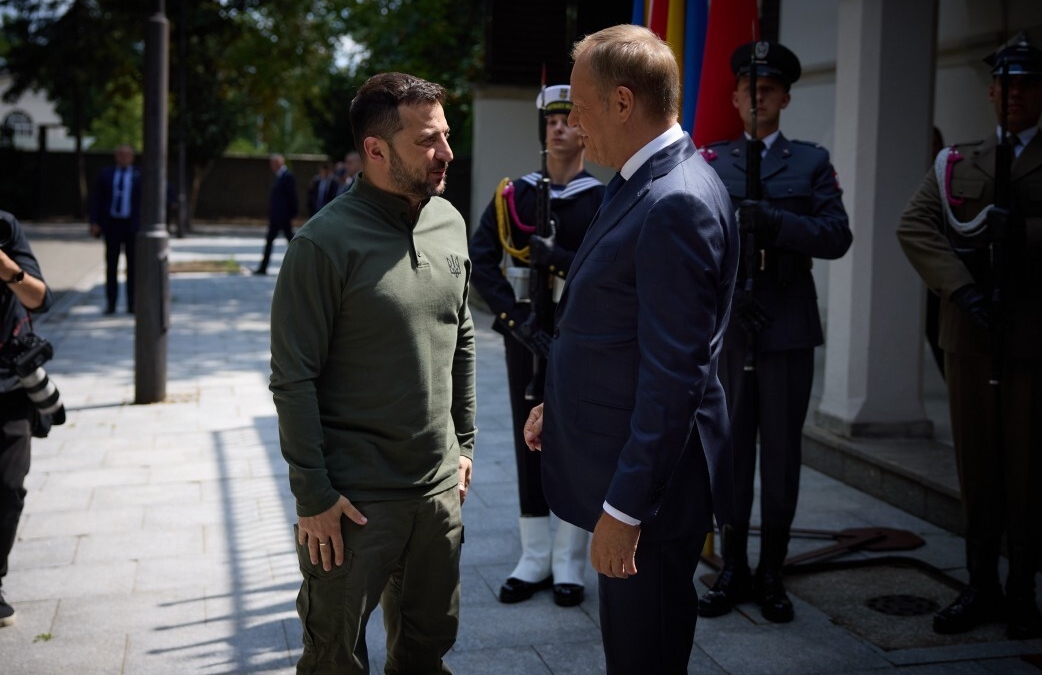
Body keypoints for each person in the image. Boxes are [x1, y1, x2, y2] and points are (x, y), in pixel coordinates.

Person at [523, 24, 738, 674]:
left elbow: (674, 375)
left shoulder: (674, 200)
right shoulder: (639, 179)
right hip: (629, 468)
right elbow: (614, 328)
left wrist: (623, 509)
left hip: (652, 495)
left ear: (622, 102)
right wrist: (556, 407)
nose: (576, 126)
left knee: (644, 654)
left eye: (581, 109)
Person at [269, 71, 475, 674]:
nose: (446, 154)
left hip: (437, 495)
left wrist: (464, 442)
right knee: (335, 658)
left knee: (426, 653)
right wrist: (314, 495)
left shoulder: (450, 222)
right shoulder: (322, 245)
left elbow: (460, 334)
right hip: (353, 505)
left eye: (446, 136)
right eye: (428, 141)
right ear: (376, 150)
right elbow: (293, 379)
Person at [696, 41, 852, 623]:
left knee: (781, 455)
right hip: (733, 328)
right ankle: (732, 564)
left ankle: (772, 570)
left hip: (786, 326)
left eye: (768, 88)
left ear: (784, 96)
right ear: (735, 98)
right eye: (747, 88)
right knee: (731, 450)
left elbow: (836, 235)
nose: (757, 96)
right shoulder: (711, 162)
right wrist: (730, 298)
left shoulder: (810, 162)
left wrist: (779, 222)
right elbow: (693, 244)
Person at [897, 31, 1042, 641]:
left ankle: (1021, 591)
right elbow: (917, 225)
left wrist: (1021, 243)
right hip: (970, 331)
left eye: (1025, 84)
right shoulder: (960, 160)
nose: (1012, 94)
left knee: (1027, 468)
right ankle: (980, 583)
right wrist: (963, 289)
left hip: (1031, 337)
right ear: (989, 91)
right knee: (976, 468)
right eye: (1004, 84)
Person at [469, 84, 603, 607]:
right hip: (527, 335)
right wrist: (514, 318)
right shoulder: (515, 195)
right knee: (530, 446)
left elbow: (612, 268)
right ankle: (534, 555)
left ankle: (570, 557)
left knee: (576, 441)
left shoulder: (603, 198)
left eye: (569, 118)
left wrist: (562, 257)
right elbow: (482, 258)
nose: (558, 127)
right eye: (550, 119)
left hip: (581, 340)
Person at [0, 210, 54, 627]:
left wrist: (7, 269)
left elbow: (41, 299)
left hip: (8, 384)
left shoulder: (5, 227)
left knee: (8, 487)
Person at [89, 144, 141, 314]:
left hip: (132, 226)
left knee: (133, 266)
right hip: (112, 225)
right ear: (116, 157)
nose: (123, 158)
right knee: (111, 265)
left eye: (127, 155)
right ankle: (111, 304)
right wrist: (94, 222)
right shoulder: (106, 174)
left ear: (132, 157)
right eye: (120, 155)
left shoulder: (139, 175)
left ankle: (132, 303)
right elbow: (96, 199)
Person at [254, 154, 298, 275]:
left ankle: (301, 264)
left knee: (292, 241)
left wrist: (292, 214)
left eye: (273, 163)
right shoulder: (279, 176)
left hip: (284, 217)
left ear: (278, 163)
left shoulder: (287, 176)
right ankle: (263, 267)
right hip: (276, 217)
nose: (272, 166)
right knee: (269, 241)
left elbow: (292, 197)